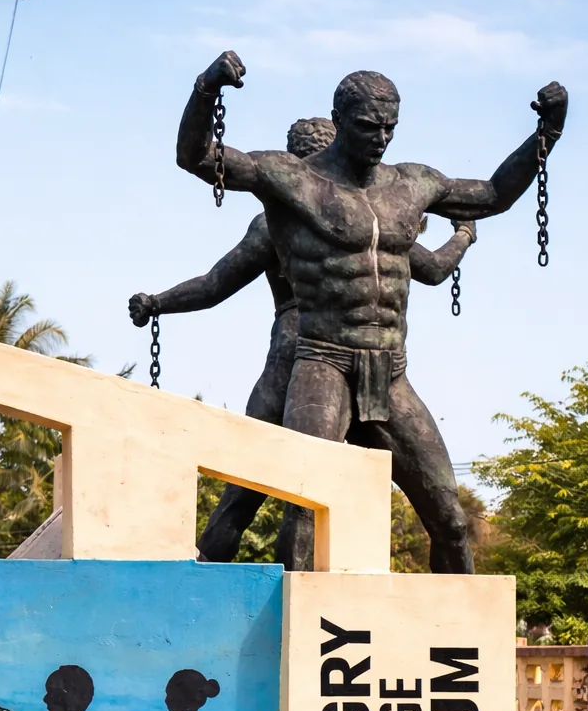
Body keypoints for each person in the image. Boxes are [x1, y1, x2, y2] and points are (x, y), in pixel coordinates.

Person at [176, 53, 568, 572]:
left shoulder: (413, 184)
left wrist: (548, 132)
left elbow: (494, 194)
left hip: (390, 371)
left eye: (389, 127)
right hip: (323, 363)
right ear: (339, 121)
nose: (380, 138)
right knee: (305, 510)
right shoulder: (291, 178)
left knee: (449, 519)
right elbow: (198, 157)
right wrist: (208, 88)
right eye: (367, 126)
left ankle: (451, 630)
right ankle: (291, 635)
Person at [130, 117, 475, 564]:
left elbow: (215, 284)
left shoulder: (342, 216)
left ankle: (208, 581)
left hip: (296, 356)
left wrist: (158, 302)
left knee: (247, 491)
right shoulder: (356, 215)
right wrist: (464, 236)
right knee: (287, 494)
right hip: (320, 358)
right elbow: (434, 269)